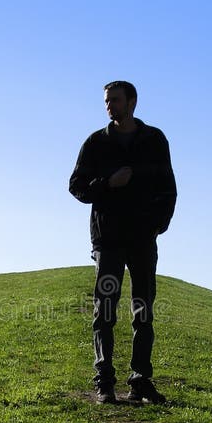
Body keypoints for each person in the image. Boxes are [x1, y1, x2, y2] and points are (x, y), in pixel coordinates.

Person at [69, 81, 177, 404]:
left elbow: (169, 188)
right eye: (106, 101)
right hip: (108, 241)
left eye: (114, 100)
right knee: (104, 311)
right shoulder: (95, 143)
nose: (109, 106)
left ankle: (140, 381)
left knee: (143, 311)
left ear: (132, 102)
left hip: (143, 240)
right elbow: (76, 186)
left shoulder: (155, 140)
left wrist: (158, 225)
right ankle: (104, 382)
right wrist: (107, 183)